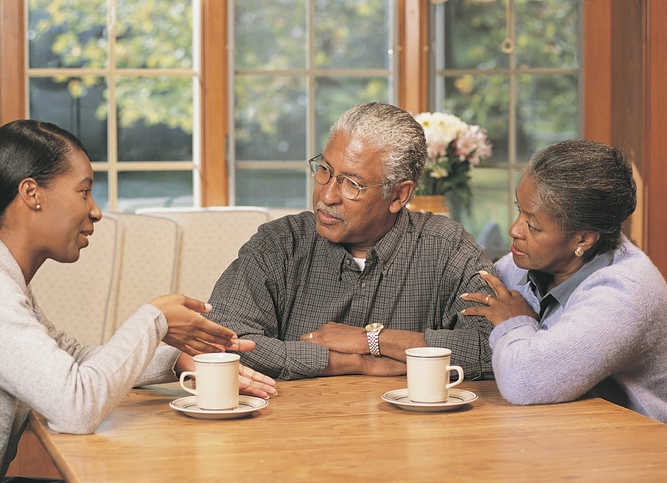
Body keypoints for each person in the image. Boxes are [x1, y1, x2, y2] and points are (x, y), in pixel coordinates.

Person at [0, 120, 277, 483]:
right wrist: (154, 320)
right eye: (83, 191)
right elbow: (76, 407)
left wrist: (178, 360)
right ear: (31, 193)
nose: (95, 211)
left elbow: (71, 358)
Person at [205, 102, 495, 380]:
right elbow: (218, 342)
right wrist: (349, 362)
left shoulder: (446, 248)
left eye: (351, 184)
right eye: (325, 170)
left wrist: (371, 340)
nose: (327, 196)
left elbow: (496, 348)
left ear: (398, 196)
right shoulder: (279, 244)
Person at [460, 139, 667, 422]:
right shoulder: (525, 263)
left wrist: (514, 322)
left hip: (634, 447)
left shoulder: (625, 293)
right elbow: (466, 328)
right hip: (563, 431)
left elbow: (523, 381)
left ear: (583, 239)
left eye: (532, 225)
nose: (514, 229)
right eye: (518, 209)